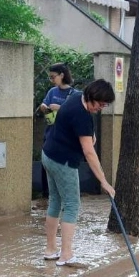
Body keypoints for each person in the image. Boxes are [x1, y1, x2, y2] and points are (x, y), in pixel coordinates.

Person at [41, 79, 116, 266]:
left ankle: (51, 250)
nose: (101, 108)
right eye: (100, 104)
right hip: (63, 162)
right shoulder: (82, 116)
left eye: (105, 105)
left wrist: (91, 137)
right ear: (92, 97)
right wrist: (104, 182)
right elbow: (89, 153)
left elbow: (87, 137)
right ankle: (66, 255)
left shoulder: (75, 96)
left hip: (48, 154)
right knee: (72, 204)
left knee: (56, 201)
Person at [38, 63, 77, 197]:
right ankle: (46, 193)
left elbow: (77, 114)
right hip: (50, 134)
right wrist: (44, 106)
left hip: (65, 138)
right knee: (47, 166)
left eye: (53, 77)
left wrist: (60, 108)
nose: (52, 80)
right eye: (50, 78)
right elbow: (44, 103)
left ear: (62, 75)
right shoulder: (52, 92)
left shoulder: (75, 94)